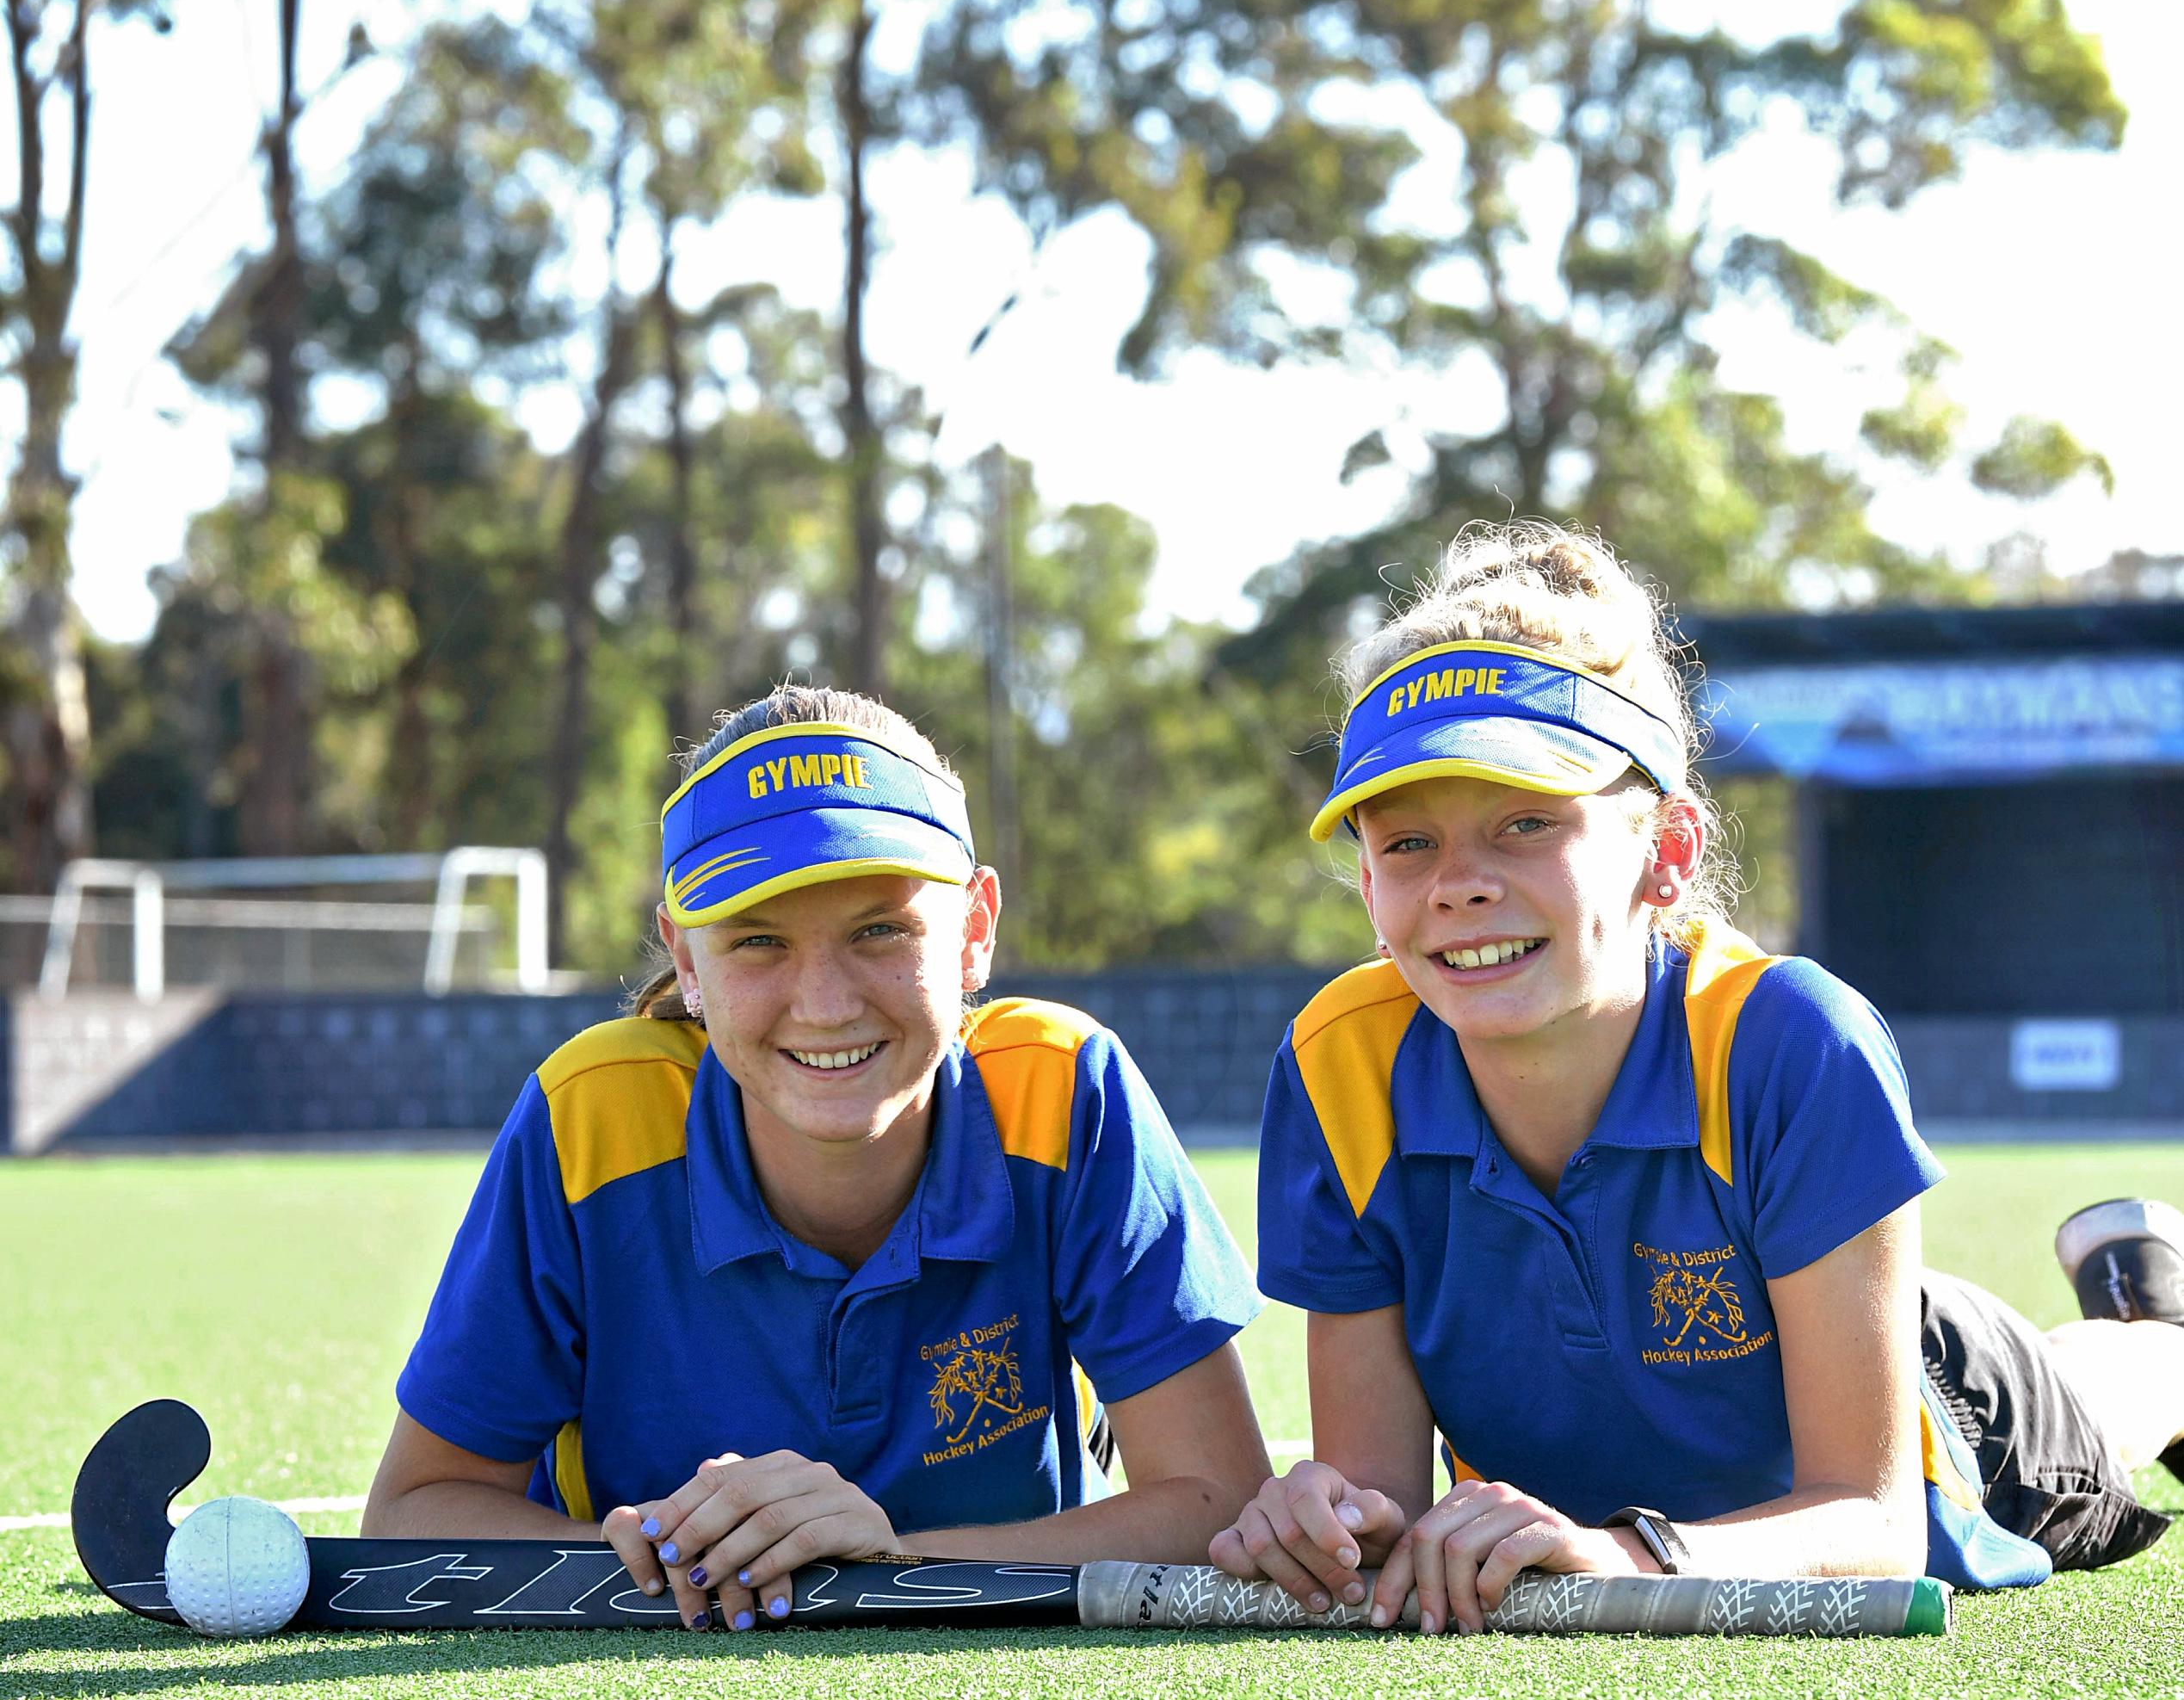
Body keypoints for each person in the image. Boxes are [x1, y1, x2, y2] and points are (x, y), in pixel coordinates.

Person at [1212, 524, 2181, 1633]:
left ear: (1667, 853)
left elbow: (1873, 1522)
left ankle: (2156, 1314)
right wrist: (1334, 1522)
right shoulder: (1337, 1064)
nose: (1460, 886)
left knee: (2108, 1405)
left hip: (1953, 1408)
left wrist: (1624, 1552)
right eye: (1407, 843)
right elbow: (1383, 1502)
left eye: (1528, 823)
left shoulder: (1793, 1038)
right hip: (1732, 1409)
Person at [365, 685, 1269, 1626]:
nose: (827, 1003)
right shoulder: (592, 1117)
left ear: (975, 929)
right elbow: (409, 1515)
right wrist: (646, 1553)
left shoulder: (1062, 1089)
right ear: (685, 959)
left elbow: (1221, 1504)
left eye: (880, 929)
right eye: (758, 941)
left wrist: (885, 1559)